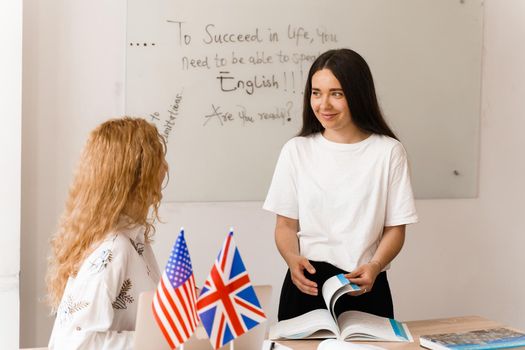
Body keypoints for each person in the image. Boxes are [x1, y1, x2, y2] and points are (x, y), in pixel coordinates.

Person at [263, 49, 418, 321]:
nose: (324, 104)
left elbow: (395, 228)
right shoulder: (296, 150)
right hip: (307, 284)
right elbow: (285, 225)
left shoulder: (389, 152)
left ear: (358, 94)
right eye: (316, 92)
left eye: (336, 93)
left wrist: (375, 265)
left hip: (365, 284)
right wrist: (291, 258)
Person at [46, 117, 168, 349]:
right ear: (133, 176)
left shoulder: (133, 240)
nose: (165, 169)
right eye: (156, 161)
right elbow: (75, 344)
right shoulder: (115, 247)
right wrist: (165, 340)